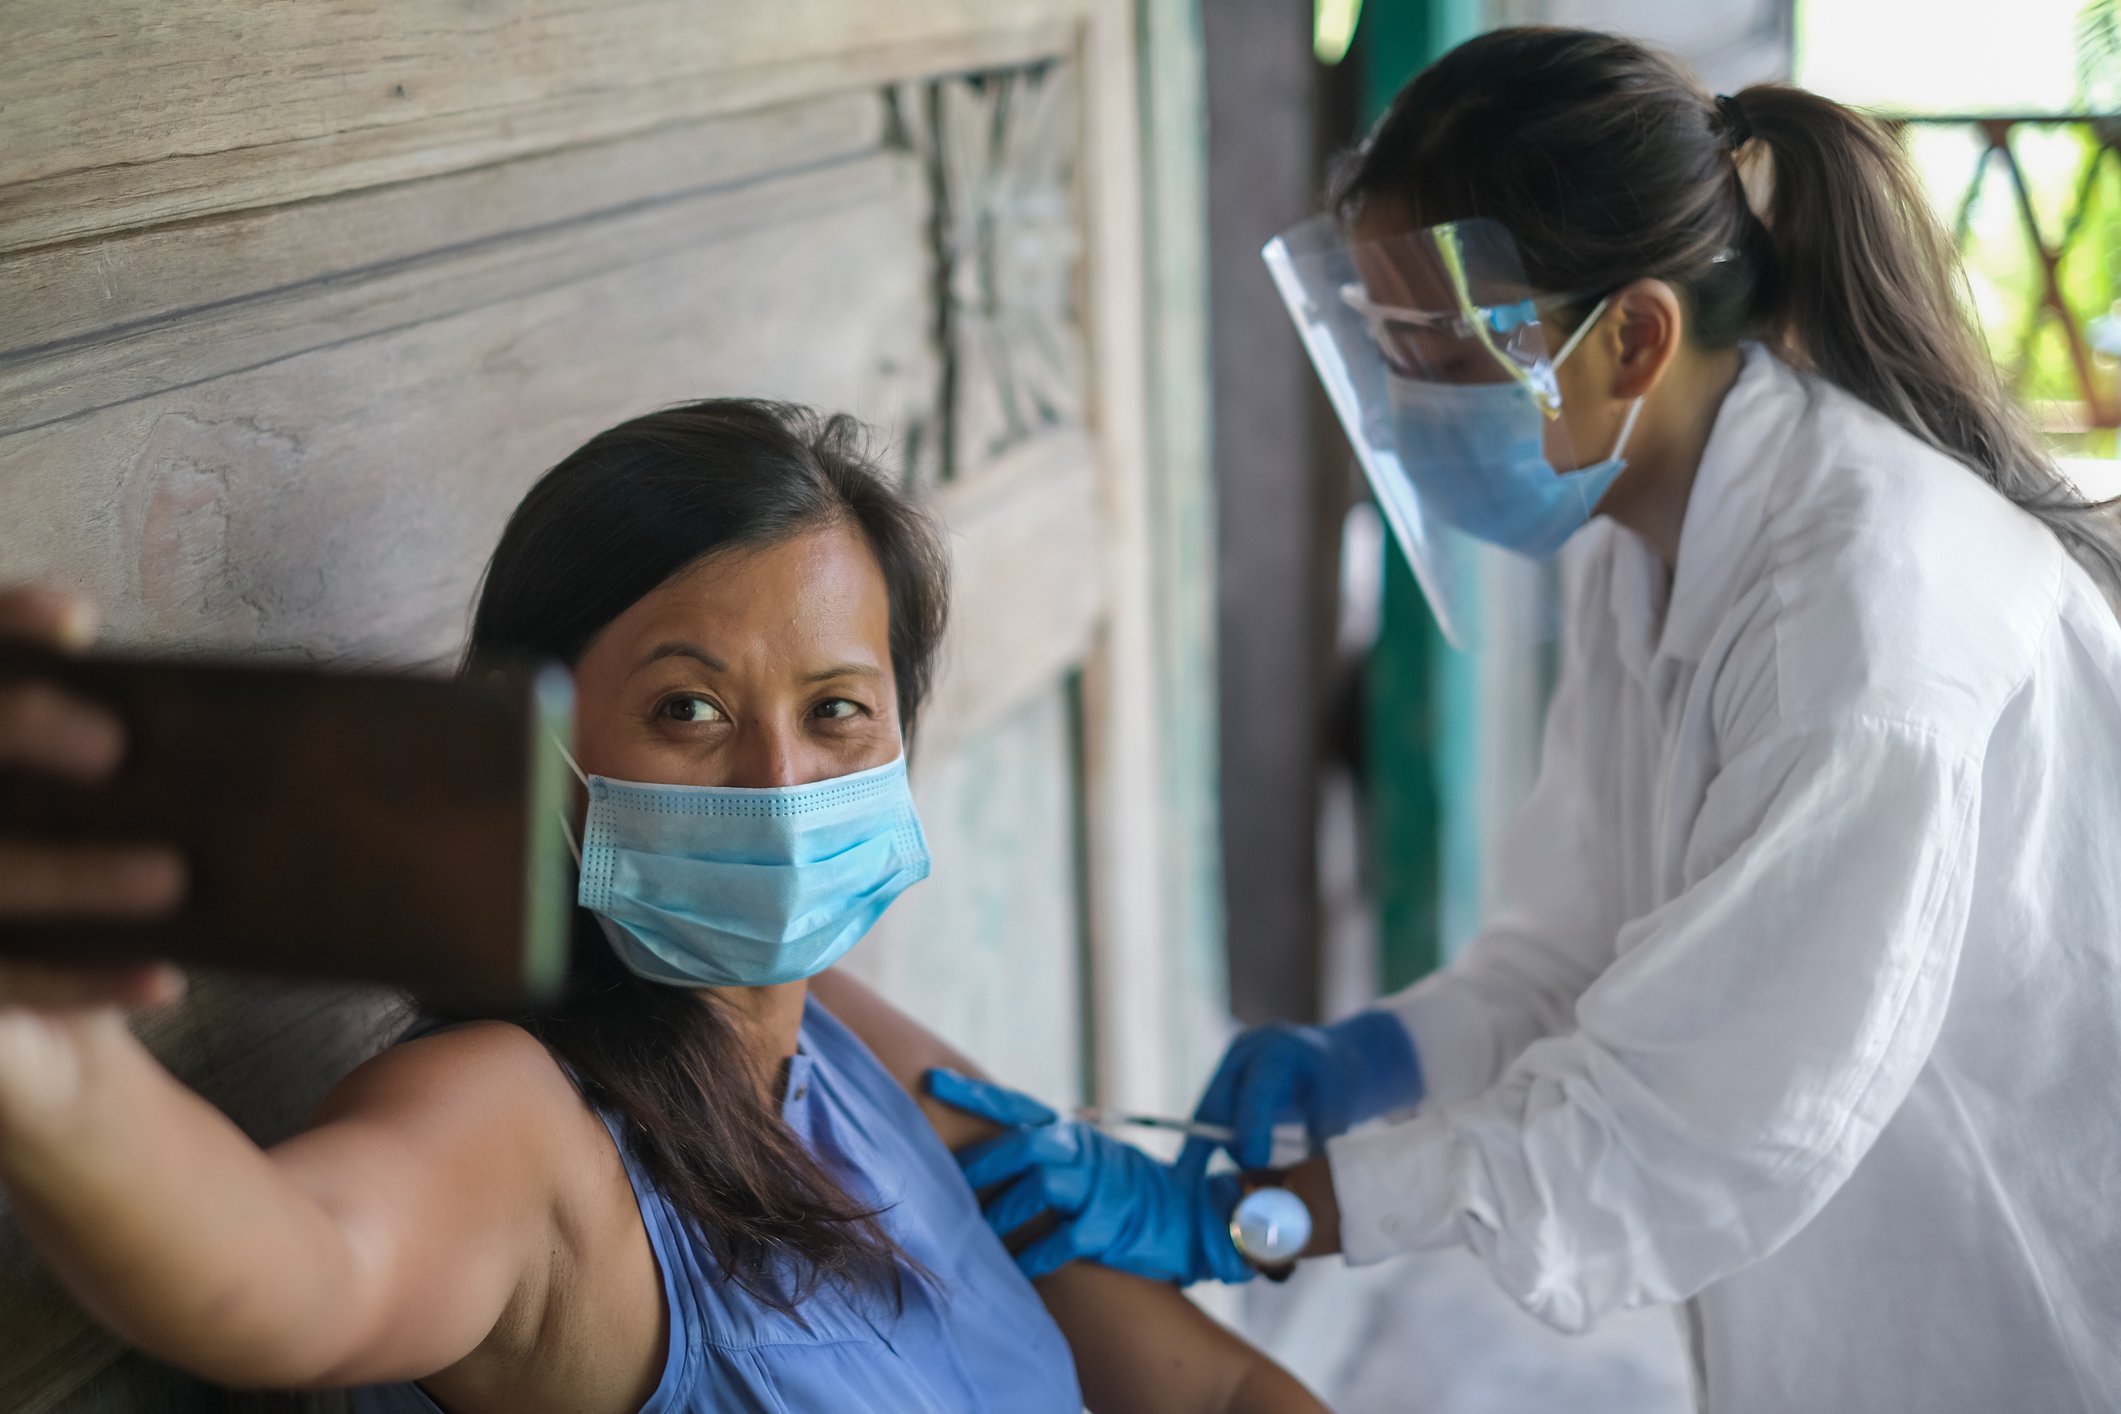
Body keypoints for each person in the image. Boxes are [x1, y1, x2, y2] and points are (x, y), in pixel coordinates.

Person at [927, 26, 2121, 1414]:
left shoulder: (1863, 622)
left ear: (1630, 337)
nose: (1396, 400)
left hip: (2032, 1304)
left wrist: (1252, 1216)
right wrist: (1379, 1056)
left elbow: (1683, 1120)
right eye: (1382, 347)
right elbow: (1587, 947)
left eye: (1431, 346)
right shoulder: (1652, 539)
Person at [0, 400, 1324, 1414]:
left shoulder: (837, 1038)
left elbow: (1213, 1390)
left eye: (837, 711)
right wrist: (57, 1079)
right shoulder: (516, 1126)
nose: (777, 778)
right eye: (687, 709)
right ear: (549, 757)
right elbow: (296, 1271)